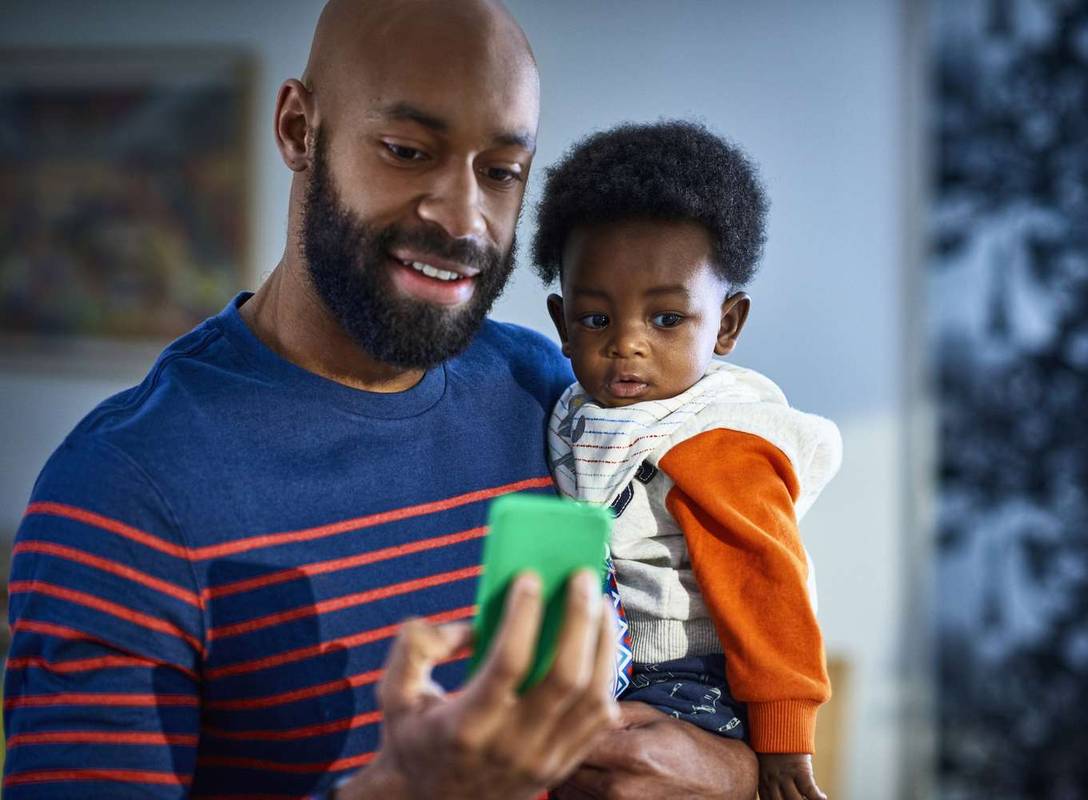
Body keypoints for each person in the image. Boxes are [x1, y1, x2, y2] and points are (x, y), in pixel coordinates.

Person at [2, 2, 759, 798]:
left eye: (500, 171)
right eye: (406, 151)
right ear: (299, 129)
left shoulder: (551, 396)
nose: (463, 217)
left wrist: (732, 773)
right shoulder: (122, 489)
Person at [534, 121, 842, 800]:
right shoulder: (570, 413)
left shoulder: (718, 440)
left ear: (726, 325)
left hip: (688, 679)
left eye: (666, 319)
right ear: (560, 323)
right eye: (595, 320)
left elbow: (768, 585)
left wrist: (783, 742)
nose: (627, 346)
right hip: (597, 664)